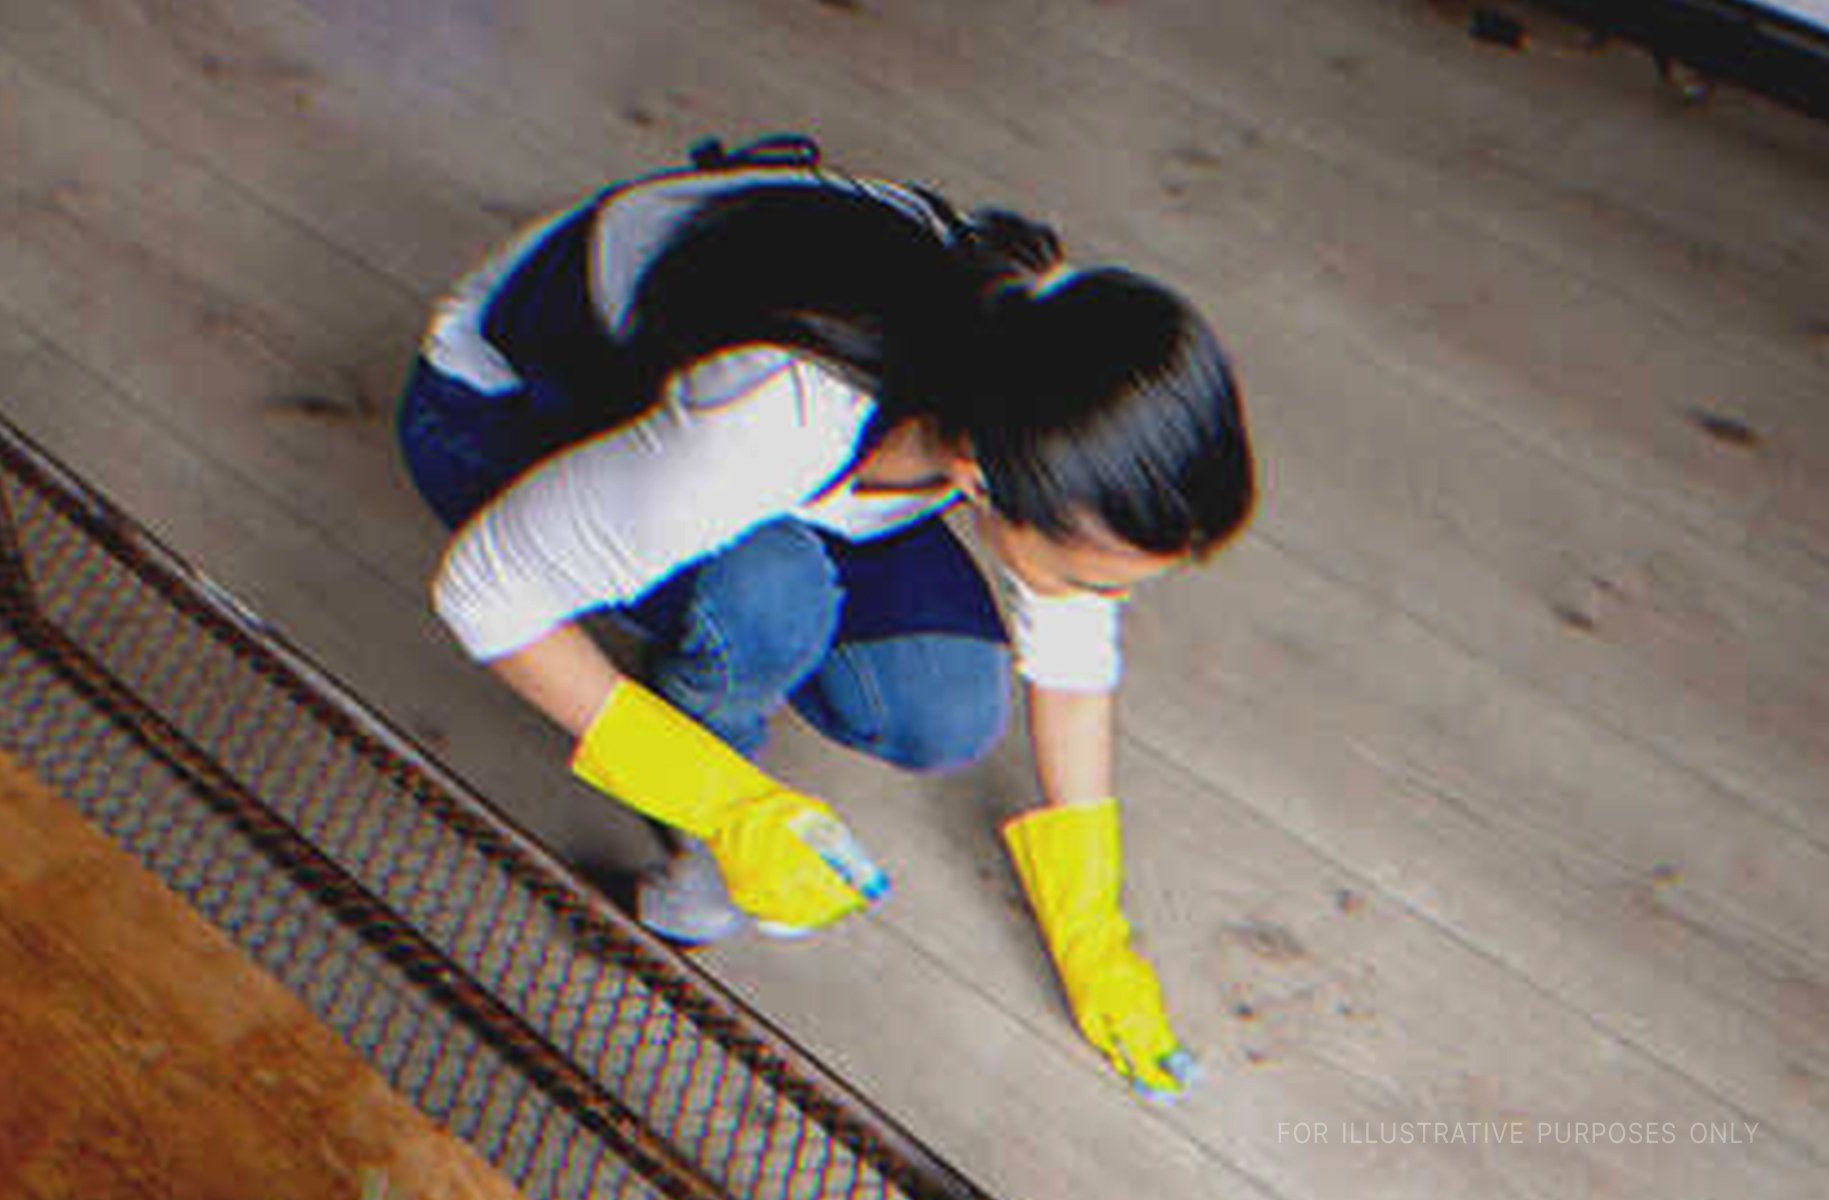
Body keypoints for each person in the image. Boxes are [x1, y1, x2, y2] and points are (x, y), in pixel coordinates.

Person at [397, 136, 1254, 1101]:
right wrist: (726, 806)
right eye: (1096, 580)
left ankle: (724, 602)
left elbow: (1071, 650)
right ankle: (694, 851)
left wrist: (1094, 931)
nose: (1112, 607)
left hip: (766, 441)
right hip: (505, 401)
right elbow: (484, 589)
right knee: (769, 596)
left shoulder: (1038, 358)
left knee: (947, 703)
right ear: (977, 479)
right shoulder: (777, 417)